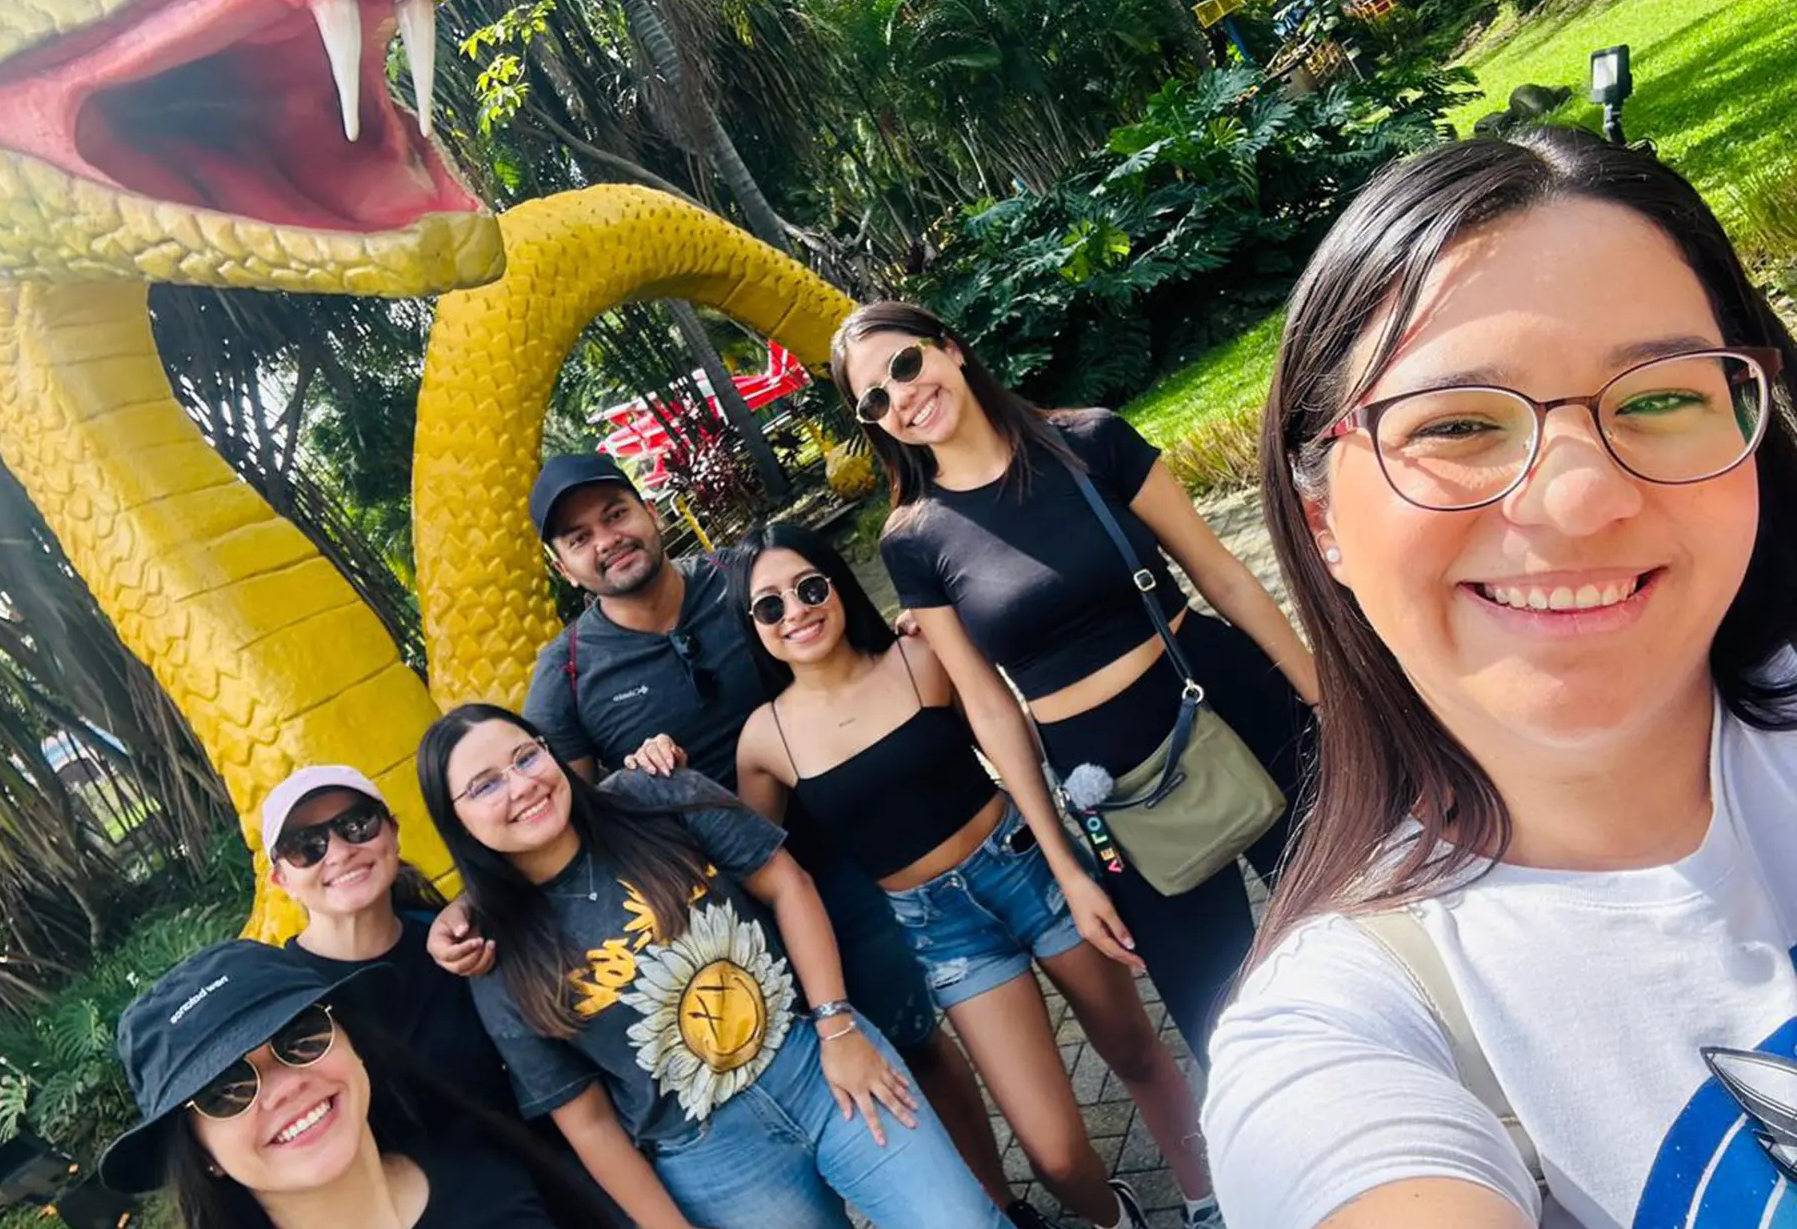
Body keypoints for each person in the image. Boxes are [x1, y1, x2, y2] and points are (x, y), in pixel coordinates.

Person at [1199, 128, 1797, 1229]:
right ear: (1322, 518)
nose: (1580, 500)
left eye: (1660, 398)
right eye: (1460, 424)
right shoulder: (1342, 1034)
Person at [430, 452, 1015, 1208]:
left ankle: (999, 1201)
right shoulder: (567, 673)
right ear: (562, 566)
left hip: (838, 865)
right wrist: (472, 903)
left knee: (910, 1041)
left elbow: (843, 632)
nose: (606, 540)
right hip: (702, 915)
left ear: (648, 510)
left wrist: (910, 631)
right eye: (579, 538)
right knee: (797, 1094)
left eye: (615, 513)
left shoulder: (743, 580)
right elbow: (555, 814)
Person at [831, 301, 1321, 1062]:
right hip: (1106, 781)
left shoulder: (1090, 441)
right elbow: (990, 708)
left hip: (1225, 698)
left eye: (905, 364)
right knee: (1221, 1023)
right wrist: (1067, 867)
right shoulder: (913, 541)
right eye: (874, 398)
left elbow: (1222, 575)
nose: (902, 395)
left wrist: (1325, 697)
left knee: (1353, 922)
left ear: (950, 349)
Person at [732, 521, 1224, 1229]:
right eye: (769, 605)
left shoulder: (919, 657)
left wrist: (1069, 862)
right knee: (1054, 1156)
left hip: (1027, 868)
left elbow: (1012, 743)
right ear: (753, 626)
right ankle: (1117, 1217)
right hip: (944, 933)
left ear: (836, 585)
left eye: (809, 588)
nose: (796, 612)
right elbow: (762, 867)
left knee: (1134, 1051)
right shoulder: (763, 742)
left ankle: (1207, 1200)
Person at [416, 703, 1008, 1229]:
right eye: (485, 786)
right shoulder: (492, 954)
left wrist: (837, 1026)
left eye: (526, 756)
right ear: (455, 819)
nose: (522, 786)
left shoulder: (650, 794)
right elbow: (587, 1119)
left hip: (815, 1061)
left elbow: (788, 885)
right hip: (711, 1155)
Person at [98, 938, 608, 1229]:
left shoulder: (490, 1170)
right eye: (225, 1091)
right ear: (203, 1153)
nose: (284, 1088)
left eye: (301, 1038)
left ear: (353, 1043)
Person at [261, 765, 517, 1117]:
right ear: (282, 880)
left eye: (357, 824)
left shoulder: (457, 939)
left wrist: (470, 904)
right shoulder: (287, 1001)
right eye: (305, 846)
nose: (340, 852)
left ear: (393, 832)